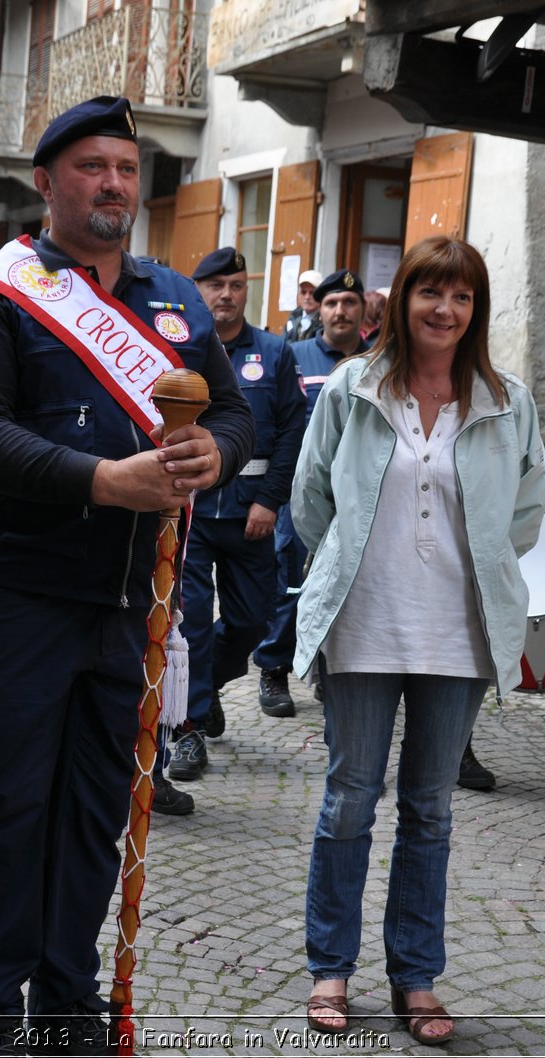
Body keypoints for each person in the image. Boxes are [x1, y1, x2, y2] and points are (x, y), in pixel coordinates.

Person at [0, 95, 254, 1056]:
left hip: (132, 609)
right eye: (91, 167)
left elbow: (234, 417)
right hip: (21, 601)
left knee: (91, 813)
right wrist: (100, 480)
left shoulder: (174, 298)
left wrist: (217, 457)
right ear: (46, 184)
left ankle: (68, 1009)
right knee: (4, 812)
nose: (114, 183)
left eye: (126, 167)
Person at [291, 235, 545, 1045]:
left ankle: (417, 977)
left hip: (459, 631)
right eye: (430, 292)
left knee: (430, 810)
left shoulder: (507, 401)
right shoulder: (350, 387)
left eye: (462, 296)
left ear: (475, 310)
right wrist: (351, 568)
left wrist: (480, 564)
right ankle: (331, 966)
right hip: (365, 624)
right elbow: (310, 500)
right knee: (348, 801)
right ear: (398, 301)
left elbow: (528, 507)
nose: (445, 309)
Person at [158, 247, 303, 814]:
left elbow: (293, 431)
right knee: (190, 620)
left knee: (250, 620)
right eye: (215, 285)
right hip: (189, 512)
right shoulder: (178, 349)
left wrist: (271, 500)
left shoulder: (274, 353)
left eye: (237, 285)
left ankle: (208, 684)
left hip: (251, 513)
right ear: (197, 292)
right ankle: (189, 728)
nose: (226, 294)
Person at [256, 269, 367, 719]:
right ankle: (273, 667)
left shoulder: (382, 360)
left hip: (361, 498)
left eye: (349, 302)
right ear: (318, 311)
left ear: (363, 310)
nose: (340, 311)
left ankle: (332, 670)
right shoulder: (293, 357)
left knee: (355, 585)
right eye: (331, 303)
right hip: (303, 494)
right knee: (293, 583)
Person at [282, 269, 323, 342]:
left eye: (312, 293)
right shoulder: (294, 316)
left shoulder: (325, 319)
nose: (307, 297)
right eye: (303, 292)